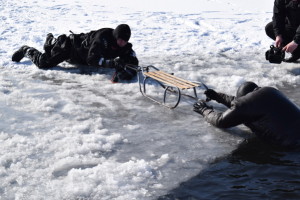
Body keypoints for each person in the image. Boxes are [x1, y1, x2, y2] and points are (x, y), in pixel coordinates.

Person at [12, 24, 139, 82]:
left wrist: (127, 72)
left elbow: (132, 59)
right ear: (116, 36)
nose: (123, 43)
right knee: (43, 63)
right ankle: (26, 50)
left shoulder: (123, 45)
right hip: (70, 49)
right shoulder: (102, 38)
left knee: (49, 51)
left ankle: (50, 42)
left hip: (80, 58)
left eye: (125, 40)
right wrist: (112, 64)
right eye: (121, 39)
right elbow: (92, 59)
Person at [193, 81, 300, 148]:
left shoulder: (248, 103)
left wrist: (204, 110)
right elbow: (240, 104)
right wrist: (218, 96)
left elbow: (221, 120)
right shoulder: (270, 91)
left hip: (292, 146)